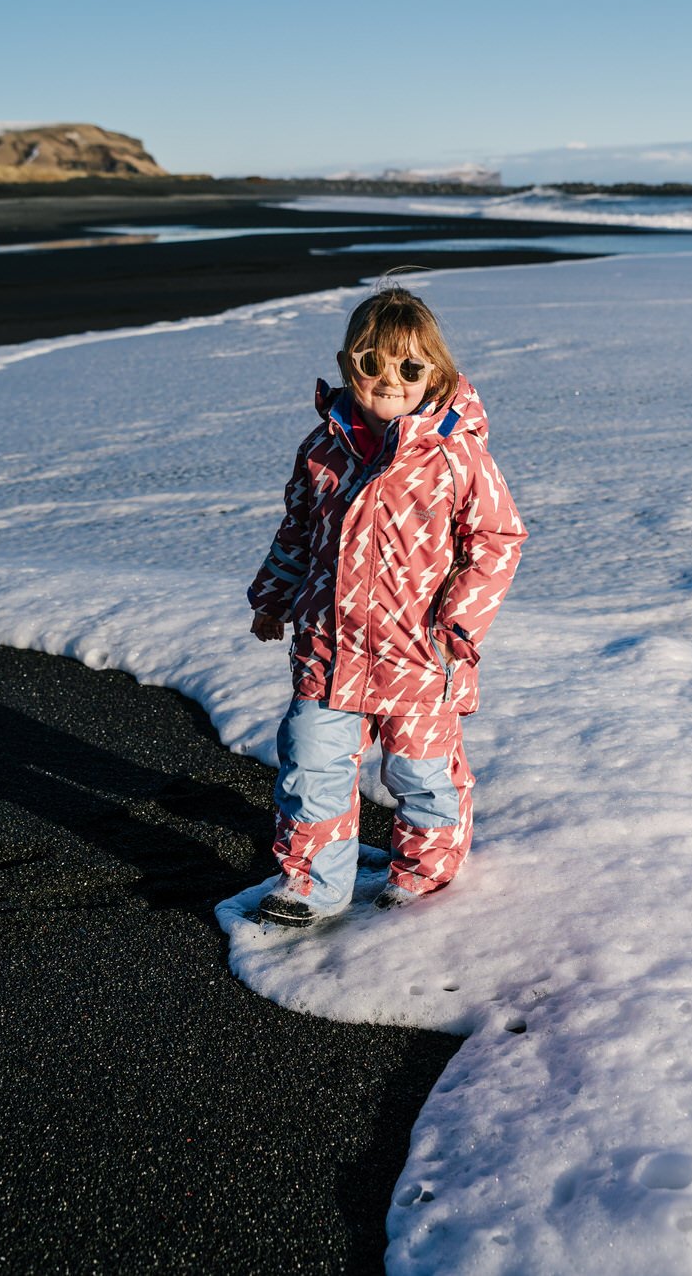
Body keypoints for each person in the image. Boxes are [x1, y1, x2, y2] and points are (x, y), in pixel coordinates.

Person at [247, 282, 526, 927]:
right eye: (372, 363)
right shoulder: (323, 449)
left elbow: (497, 538)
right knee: (311, 763)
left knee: (420, 772)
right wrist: (273, 597)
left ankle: (425, 872)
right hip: (329, 647)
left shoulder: (455, 454)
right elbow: (298, 530)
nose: (390, 380)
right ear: (348, 365)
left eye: (409, 367)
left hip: (420, 652)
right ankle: (312, 886)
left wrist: (460, 620)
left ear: (436, 373)